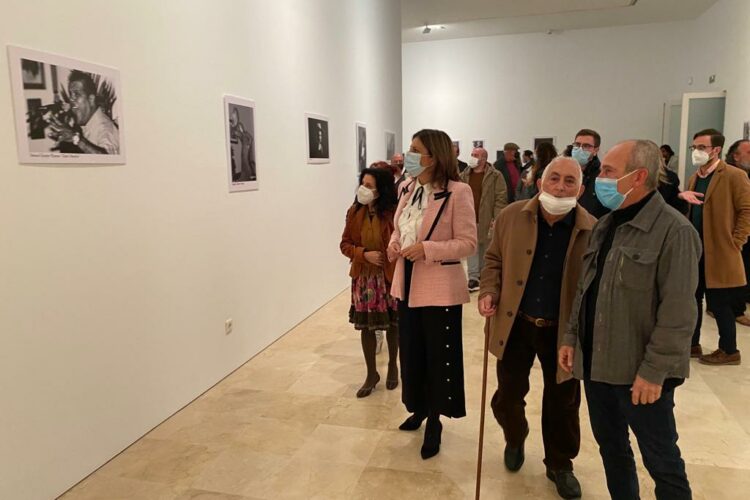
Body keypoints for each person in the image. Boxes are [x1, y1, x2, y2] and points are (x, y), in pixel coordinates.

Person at [559, 139, 701, 500]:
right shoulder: (606, 224)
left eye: (608, 171)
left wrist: (655, 371)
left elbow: (679, 312)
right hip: (597, 367)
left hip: (641, 374)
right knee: (613, 451)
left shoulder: (674, 231)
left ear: (638, 177)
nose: (599, 179)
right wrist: (571, 337)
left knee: (662, 460)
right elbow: (586, 289)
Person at [479, 157, 595, 499]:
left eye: (569, 181)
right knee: (508, 396)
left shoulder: (592, 228)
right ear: (539, 181)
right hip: (515, 324)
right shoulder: (511, 216)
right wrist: (489, 290)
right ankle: (515, 435)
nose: (560, 186)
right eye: (554, 178)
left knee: (563, 401)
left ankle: (560, 463)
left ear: (581, 189)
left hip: (563, 332)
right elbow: (493, 259)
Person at [387, 129, 477, 460]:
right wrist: (395, 243)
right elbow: (398, 227)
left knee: (438, 356)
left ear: (434, 157)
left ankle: (436, 419)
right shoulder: (408, 188)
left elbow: (468, 243)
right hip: (406, 281)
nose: (408, 155)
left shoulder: (458, 192)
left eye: (414, 150)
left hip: (439, 288)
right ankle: (419, 408)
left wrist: (427, 249)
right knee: (411, 353)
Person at [682, 129, 750, 365]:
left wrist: (736, 241)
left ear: (716, 150)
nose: (697, 152)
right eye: (694, 148)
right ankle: (692, 343)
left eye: (701, 148)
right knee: (693, 299)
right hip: (697, 251)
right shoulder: (695, 177)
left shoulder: (733, 175)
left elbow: (746, 210)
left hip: (720, 250)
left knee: (720, 304)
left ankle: (729, 350)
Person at [340, 168, 399, 397]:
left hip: (388, 276)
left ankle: (393, 365)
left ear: (381, 190)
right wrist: (364, 254)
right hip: (364, 278)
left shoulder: (392, 213)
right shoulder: (354, 212)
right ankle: (371, 373)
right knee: (366, 327)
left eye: (370, 185)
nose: (364, 189)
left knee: (393, 324)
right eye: (362, 183)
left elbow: (400, 241)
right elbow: (344, 244)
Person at [459, 147, 508, 292]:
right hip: (469, 217)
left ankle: (483, 275)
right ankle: (473, 277)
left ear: (484, 159)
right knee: (472, 248)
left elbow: (501, 197)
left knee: (486, 247)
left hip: (487, 217)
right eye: (472, 154)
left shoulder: (495, 176)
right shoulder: (464, 175)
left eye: (476, 155)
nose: (472, 157)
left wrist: (497, 217)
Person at [47, 70, 120, 154]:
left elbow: (107, 159)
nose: (71, 99)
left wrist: (75, 138)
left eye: (77, 94)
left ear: (91, 99)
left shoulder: (105, 129)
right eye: (71, 94)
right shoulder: (85, 125)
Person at [726, 140, 750, 319]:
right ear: (736, 156)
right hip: (733, 234)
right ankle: (735, 309)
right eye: (748, 152)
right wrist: (737, 238)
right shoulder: (729, 175)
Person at [570, 129, 609, 218]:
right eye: (577, 145)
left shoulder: (602, 177)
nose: (580, 149)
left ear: (596, 150)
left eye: (586, 146)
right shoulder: (566, 172)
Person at [229, 107, 257, 182]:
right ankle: (250, 174)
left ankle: (248, 174)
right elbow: (235, 138)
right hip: (246, 140)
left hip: (246, 140)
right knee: (247, 158)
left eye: (233, 114)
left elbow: (239, 135)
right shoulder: (238, 128)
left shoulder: (240, 128)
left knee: (245, 157)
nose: (232, 116)